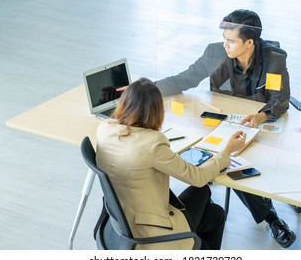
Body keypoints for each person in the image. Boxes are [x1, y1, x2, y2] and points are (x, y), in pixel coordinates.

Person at [156, 9, 296, 248]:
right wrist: (144, 91)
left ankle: (271, 216)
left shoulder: (274, 59)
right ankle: (269, 214)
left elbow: (281, 99)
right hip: (221, 122)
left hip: (259, 125)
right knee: (228, 159)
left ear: (250, 42)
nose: (225, 45)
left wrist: (260, 116)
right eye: (224, 38)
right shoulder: (215, 53)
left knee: (231, 161)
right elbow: (184, 79)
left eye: (231, 41)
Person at [95, 77, 246, 250]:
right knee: (208, 199)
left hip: (122, 223)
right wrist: (227, 151)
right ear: (156, 110)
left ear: (125, 103)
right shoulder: (153, 143)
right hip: (149, 232)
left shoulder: (104, 129)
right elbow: (198, 177)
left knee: (214, 212)